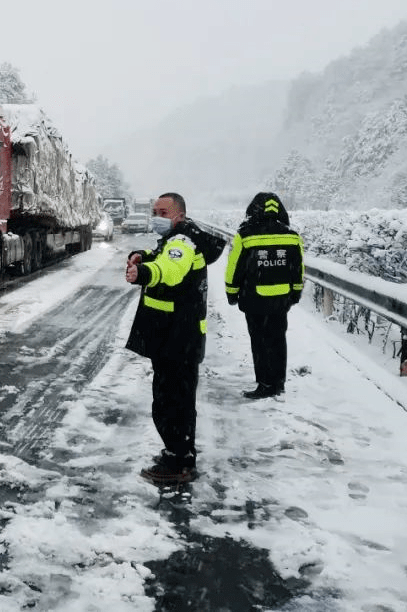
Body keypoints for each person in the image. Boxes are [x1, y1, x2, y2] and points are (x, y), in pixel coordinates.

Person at [124, 192, 225, 484]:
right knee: (171, 400)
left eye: (164, 212)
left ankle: (180, 463)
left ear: (179, 215)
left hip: (178, 338)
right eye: (155, 210)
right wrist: (144, 257)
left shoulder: (182, 242)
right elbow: (163, 258)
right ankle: (176, 453)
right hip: (175, 337)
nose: (157, 216)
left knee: (173, 402)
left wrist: (143, 272)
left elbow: (170, 269)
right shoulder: (178, 238)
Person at [224, 192, 305, 399]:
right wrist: (295, 292)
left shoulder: (246, 235)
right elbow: (298, 269)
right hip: (281, 299)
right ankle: (278, 382)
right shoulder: (291, 236)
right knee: (278, 340)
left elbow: (235, 267)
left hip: (254, 299)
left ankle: (265, 384)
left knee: (259, 342)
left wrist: (231, 292)